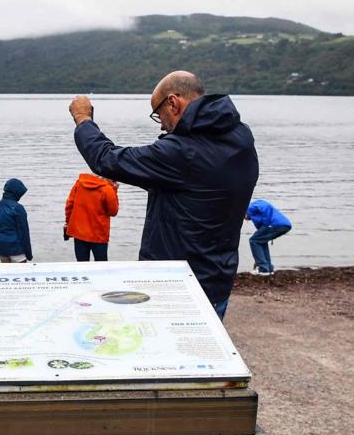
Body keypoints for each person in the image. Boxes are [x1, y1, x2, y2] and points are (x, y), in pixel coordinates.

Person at [69, 71, 259, 319]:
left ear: (173, 102)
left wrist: (84, 120)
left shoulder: (182, 152)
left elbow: (106, 159)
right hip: (217, 280)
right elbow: (198, 185)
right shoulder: (241, 136)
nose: (160, 123)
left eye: (158, 113)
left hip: (173, 287)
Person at [64, 172, 119, 261]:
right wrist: (114, 190)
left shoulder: (79, 183)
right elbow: (113, 211)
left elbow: (69, 205)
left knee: (82, 267)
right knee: (101, 268)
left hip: (79, 234)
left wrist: (67, 223)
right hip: (99, 236)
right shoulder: (107, 189)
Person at [245, 198, 292, 275]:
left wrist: (267, 223)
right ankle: (269, 268)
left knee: (253, 240)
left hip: (276, 224)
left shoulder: (251, 207)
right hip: (283, 225)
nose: (246, 219)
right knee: (260, 241)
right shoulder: (255, 215)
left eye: (245, 218)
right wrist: (258, 259)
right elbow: (260, 232)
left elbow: (265, 206)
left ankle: (263, 269)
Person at [0, 177, 33, 262]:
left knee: (5, 273)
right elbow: (24, 232)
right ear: (16, 193)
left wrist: (0, 242)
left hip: (1, 248)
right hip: (17, 250)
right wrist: (29, 254)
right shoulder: (18, 208)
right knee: (21, 274)